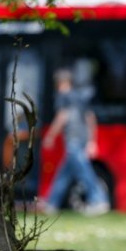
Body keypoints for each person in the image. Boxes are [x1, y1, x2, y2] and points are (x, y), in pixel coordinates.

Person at [41, 68, 110, 216]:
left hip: (73, 139)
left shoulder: (63, 97)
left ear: (61, 83)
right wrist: (92, 141)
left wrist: (50, 136)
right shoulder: (80, 97)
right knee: (64, 173)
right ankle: (51, 203)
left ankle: (99, 200)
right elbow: (90, 118)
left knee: (85, 172)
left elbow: (62, 117)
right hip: (82, 139)